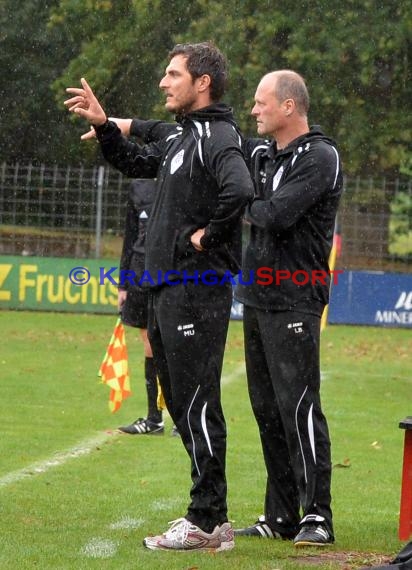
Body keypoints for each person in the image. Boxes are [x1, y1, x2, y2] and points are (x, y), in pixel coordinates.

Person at [128, 70, 343, 547]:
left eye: (262, 102)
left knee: (299, 406)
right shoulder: (262, 153)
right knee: (266, 409)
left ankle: (318, 515)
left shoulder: (320, 156)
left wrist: (227, 207)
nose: (253, 110)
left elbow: (274, 213)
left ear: (289, 106)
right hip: (257, 295)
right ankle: (281, 514)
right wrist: (119, 123)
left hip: (297, 297)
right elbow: (191, 138)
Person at [64, 41, 254, 552]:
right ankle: (207, 515)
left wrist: (207, 237)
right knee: (183, 406)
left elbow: (240, 190)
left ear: (202, 82)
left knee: (198, 403)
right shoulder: (182, 138)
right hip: (168, 289)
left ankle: (208, 520)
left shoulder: (217, 136)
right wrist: (106, 126)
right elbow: (130, 159)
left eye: (173, 75)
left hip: (197, 291)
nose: (164, 82)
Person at [117, 178, 167, 436]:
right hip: (139, 272)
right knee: (149, 344)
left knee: (178, 345)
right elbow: (131, 236)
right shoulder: (138, 186)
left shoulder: (183, 174)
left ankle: (185, 418)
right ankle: (154, 418)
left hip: (172, 272)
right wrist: (122, 284)